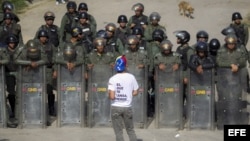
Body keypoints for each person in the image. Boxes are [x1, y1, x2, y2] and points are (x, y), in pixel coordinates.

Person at [108, 55, 139, 141]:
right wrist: (128, 94)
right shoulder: (131, 77)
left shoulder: (112, 79)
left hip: (116, 107)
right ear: (125, 66)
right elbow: (136, 92)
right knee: (130, 130)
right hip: (127, 107)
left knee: (118, 131)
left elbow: (112, 96)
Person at [35, 29, 57, 116]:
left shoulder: (51, 46)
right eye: (41, 37)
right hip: (38, 69)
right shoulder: (35, 46)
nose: (43, 38)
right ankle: (38, 108)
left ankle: (51, 108)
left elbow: (55, 58)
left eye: (44, 37)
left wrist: (55, 70)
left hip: (48, 69)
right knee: (38, 89)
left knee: (49, 90)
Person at [4, 34, 23, 128]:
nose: (12, 44)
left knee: (19, 93)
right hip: (8, 74)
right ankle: (13, 110)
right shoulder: (4, 51)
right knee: (11, 93)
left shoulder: (19, 51)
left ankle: (18, 113)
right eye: (10, 43)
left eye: (13, 42)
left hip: (18, 73)